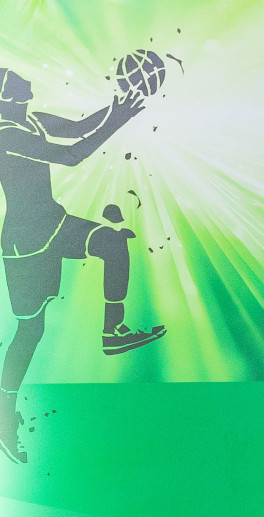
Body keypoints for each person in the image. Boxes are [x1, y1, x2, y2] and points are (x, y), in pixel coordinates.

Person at [0, 67, 164, 464]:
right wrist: (120, 118)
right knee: (30, 331)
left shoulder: (32, 119)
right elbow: (71, 155)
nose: (25, 82)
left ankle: (113, 331)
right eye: (16, 81)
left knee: (112, 243)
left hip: (54, 223)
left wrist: (118, 104)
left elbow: (77, 129)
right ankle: (4, 417)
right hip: (26, 243)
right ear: (8, 96)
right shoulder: (6, 132)